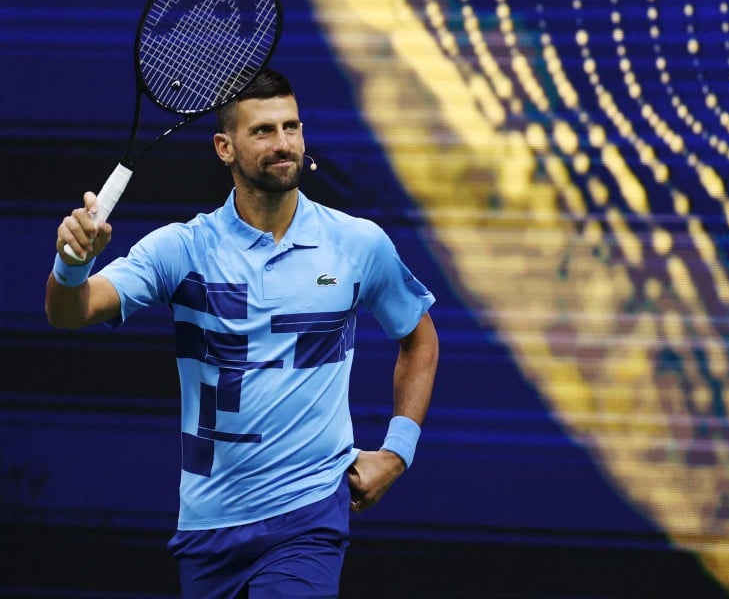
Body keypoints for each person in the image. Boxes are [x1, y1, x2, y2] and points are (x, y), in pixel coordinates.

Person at [45, 68, 439, 598]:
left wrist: (397, 451)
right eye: (263, 131)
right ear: (223, 147)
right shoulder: (181, 249)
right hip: (208, 527)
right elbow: (70, 312)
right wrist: (72, 263)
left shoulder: (358, 244)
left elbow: (419, 339)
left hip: (308, 517)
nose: (284, 144)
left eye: (292, 127)